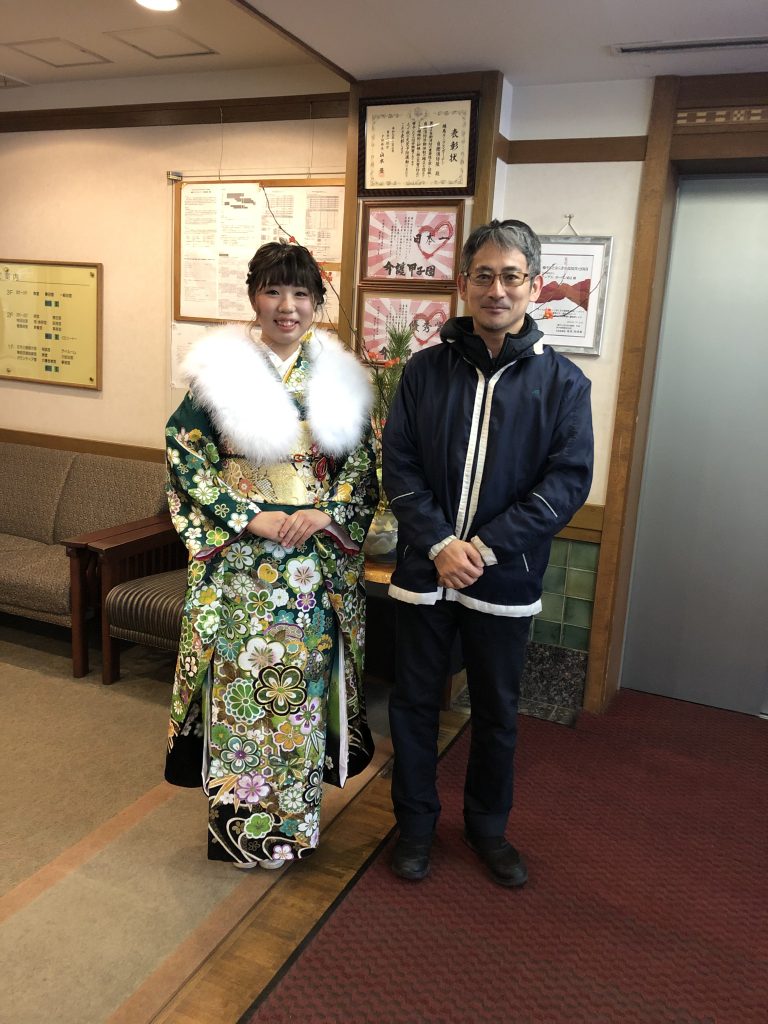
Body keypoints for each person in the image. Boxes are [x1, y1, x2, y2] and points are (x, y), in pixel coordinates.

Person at [382, 219, 593, 886]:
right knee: (414, 704)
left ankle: (487, 828)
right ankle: (415, 827)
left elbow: (567, 482)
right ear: (463, 283)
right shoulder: (424, 371)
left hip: (504, 577)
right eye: (484, 276)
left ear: (534, 285)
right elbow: (399, 465)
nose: (496, 289)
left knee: (497, 713)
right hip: (426, 570)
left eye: (511, 276)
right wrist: (441, 544)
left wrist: (484, 548)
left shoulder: (563, 383)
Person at [163, 241, 378, 869]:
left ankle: (291, 833)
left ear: (316, 303)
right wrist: (245, 515)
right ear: (254, 297)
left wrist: (326, 512)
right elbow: (184, 457)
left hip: (310, 569)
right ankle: (237, 832)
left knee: (297, 702)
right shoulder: (220, 373)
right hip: (240, 569)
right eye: (274, 291)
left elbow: (362, 469)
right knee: (239, 697)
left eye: (302, 294)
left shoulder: (338, 378)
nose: (288, 306)